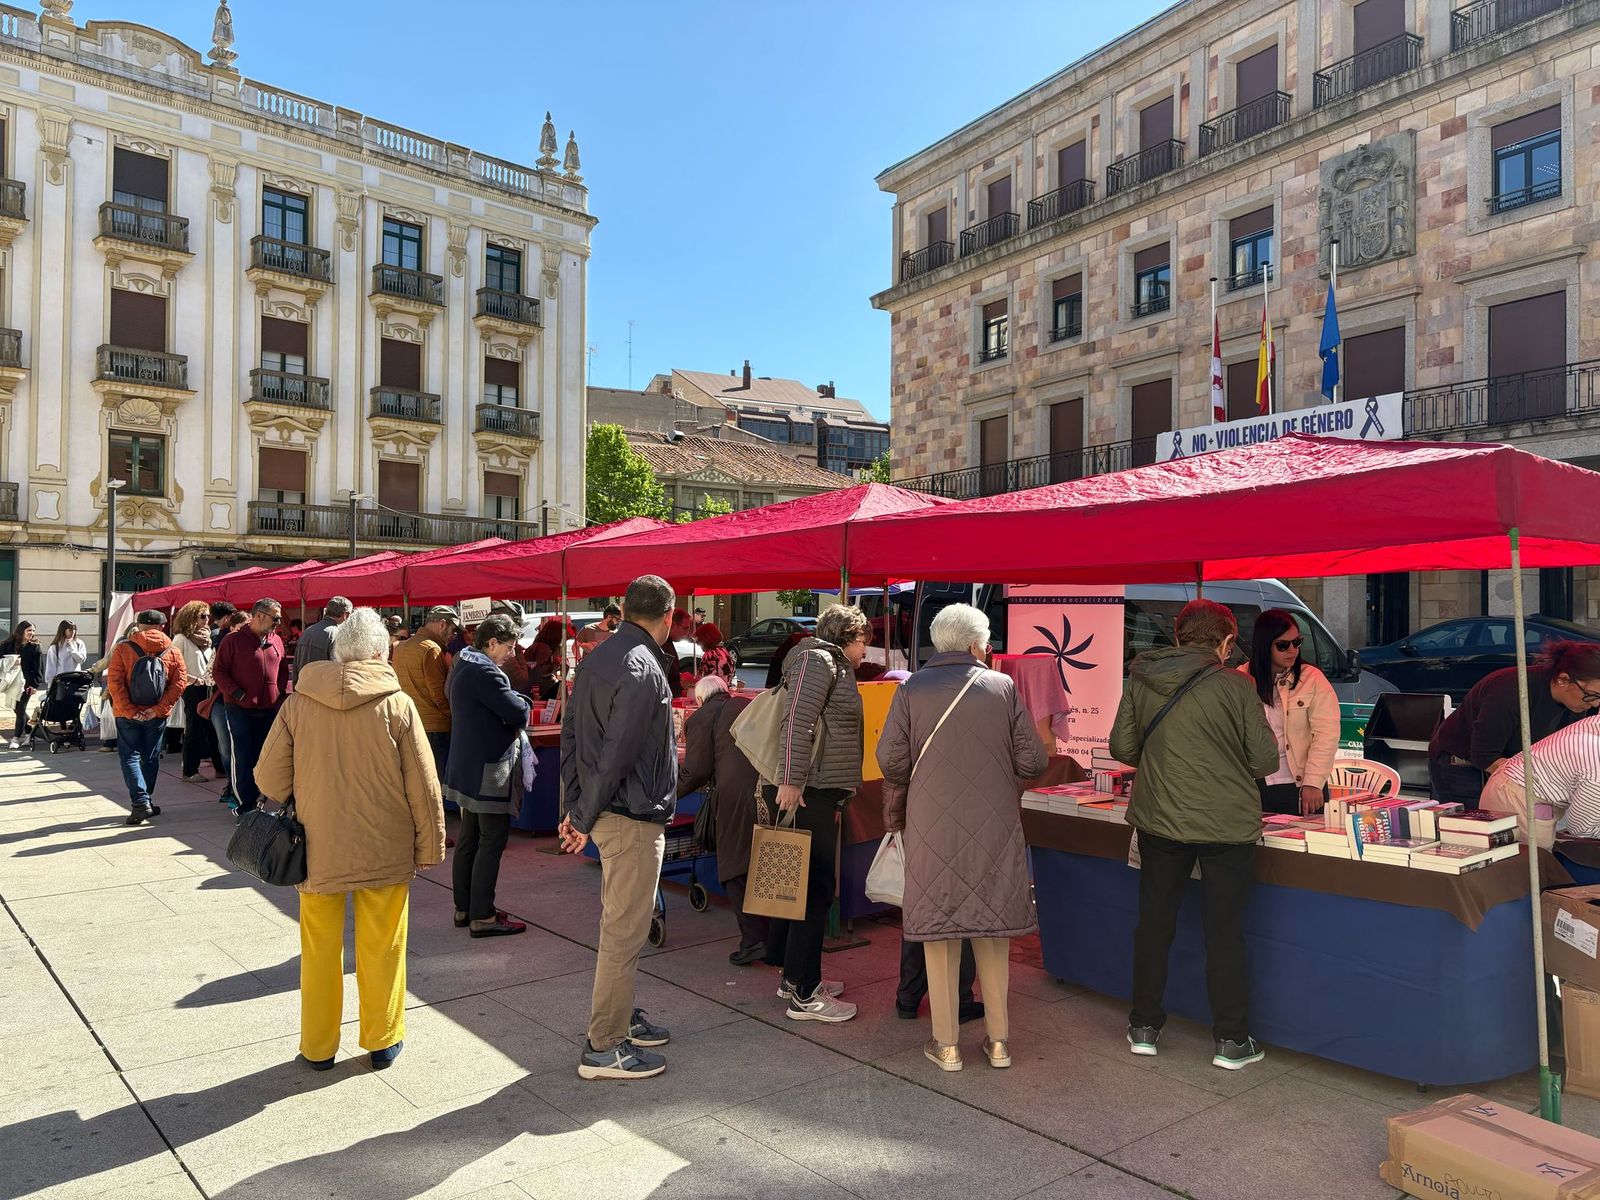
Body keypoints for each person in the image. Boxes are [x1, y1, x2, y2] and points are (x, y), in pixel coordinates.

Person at [252, 607, 446, 1074]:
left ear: (338, 653)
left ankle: (318, 1048)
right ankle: (382, 1040)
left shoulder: (299, 702)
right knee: (384, 945)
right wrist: (431, 845)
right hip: (385, 842)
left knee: (319, 951)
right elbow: (423, 783)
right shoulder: (397, 704)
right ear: (381, 652)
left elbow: (268, 778)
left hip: (317, 846)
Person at [1109, 598, 1278, 1071]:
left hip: (1159, 818)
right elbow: (1265, 761)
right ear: (1225, 642)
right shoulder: (1237, 685)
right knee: (1224, 931)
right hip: (1227, 825)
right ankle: (1231, 1039)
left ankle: (1144, 1026)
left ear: (1178, 636)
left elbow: (1122, 746)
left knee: (1154, 924)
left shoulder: (1142, 678)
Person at [878, 603, 1046, 1071]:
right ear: (976, 646)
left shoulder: (911, 688)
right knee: (994, 936)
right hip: (995, 826)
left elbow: (890, 762)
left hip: (932, 826)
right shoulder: (1003, 687)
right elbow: (1032, 762)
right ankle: (998, 1043)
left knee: (940, 933)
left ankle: (947, 1045)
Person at [559, 575, 679, 1081]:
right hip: (628, 814)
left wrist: (574, 808)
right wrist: (580, 815)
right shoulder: (640, 663)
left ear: (625, 609)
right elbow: (617, 752)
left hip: (614, 810)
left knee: (622, 926)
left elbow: (573, 737)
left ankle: (619, 1020)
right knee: (624, 931)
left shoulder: (601, 657)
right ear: (668, 616)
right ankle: (604, 1044)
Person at [765, 603, 869, 1024]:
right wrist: (791, 780)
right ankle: (806, 995)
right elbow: (797, 719)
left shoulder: (828, 662)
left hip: (817, 788)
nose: (867, 647)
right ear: (847, 637)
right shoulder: (819, 660)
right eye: (863, 639)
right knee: (812, 889)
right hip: (810, 791)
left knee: (808, 887)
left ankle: (795, 978)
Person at [1429, 642, 1600, 809]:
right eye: (1591, 696)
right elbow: (1484, 755)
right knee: (1473, 830)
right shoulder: (1510, 690)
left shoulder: (1586, 701)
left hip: (1513, 763)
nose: (1595, 704)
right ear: (1563, 679)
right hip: (1462, 763)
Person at [445, 613, 533, 937]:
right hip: (488, 769)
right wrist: (523, 700)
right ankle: (482, 914)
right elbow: (519, 711)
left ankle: (464, 907)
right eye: (509, 647)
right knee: (491, 839)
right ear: (492, 642)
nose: (512, 654)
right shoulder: (484, 672)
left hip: (468, 766)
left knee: (470, 837)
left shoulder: (463, 665)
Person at [677, 675, 765, 965]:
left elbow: (696, 771)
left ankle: (754, 941)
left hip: (735, 797)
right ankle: (774, 937)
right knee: (764, 863)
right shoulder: (746, 703)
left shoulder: (701, 717)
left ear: (700, 699)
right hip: (768, 791)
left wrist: (667, 795)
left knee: (736, 867)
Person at [1243, 609, 1340, 816]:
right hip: (1254, 783)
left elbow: (1326, 734)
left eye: (1297, 642)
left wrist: (1313, 782)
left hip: (1302, 784)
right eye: (1283, 645)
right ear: (1264, 645)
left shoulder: (1312, 678)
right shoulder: (1241, 678)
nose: (1292, 650)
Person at [106, 610, 187, 825]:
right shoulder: (173, 651)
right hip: (156, 715)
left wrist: (130, 710)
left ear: (139, 625)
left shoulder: (123, 648)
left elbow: (114, 682)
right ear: (162, 627)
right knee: (150, 758)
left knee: (130, 757)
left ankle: (141, 802)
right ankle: (146, 800)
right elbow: (179, 684)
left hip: (127, 714)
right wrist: (158, 709)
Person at [213, 597, 290, 814]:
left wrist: (280, 690)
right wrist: (236, 692)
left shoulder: (276, 640)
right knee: (244, 756)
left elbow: (283, 668)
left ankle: (258, 801)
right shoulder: (233, 640)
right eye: (275, 618)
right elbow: (219, 671)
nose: (278, 623)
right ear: (259, 616)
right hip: (240, 709)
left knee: (263, 757)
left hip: (269, 709)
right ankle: (244, 806)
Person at [1479, 716, 1600, 847]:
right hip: (1521, 796)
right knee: (1537, 861)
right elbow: (1582, 828)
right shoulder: (1595, 772)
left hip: (1518, 784)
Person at [394, 606, 460, 797]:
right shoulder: (431, 649)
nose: (453, 636)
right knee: (433, 783)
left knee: (415, 782)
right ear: (442, 624)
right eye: (453, 630)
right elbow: (439, 694)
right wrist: (454, 715)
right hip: (434, 727)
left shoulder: (403, 646)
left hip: (409, 722)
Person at [172, 601, 226, 787]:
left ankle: (220, 767)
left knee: (213, 728)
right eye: (202, 616)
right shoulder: (180, 639)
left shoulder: (207, 638)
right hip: (193, 688)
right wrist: (192, 679)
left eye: (207, 616)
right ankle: (190, 770)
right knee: (194, 729)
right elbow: (172, 666)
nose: (206, 620)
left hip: (209, 687)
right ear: (191, 617)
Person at [207, 602, 239, 798]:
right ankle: (230, 783)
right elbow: (211, 674)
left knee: (232, 747)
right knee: (225, 747)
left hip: (236, 702)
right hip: (222, 699)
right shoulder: (219, 639)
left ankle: (235, 786)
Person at [3, 621, 42, 749]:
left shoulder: (35, 647)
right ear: (21, 631)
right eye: (29, 630)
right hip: (11, 682)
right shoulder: (8, 645)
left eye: (33, 630)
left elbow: (38, 668)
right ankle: (30, 732)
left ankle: (16, 738)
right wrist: (10, 662)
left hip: (27, 683)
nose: (31, 633)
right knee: (17, 708)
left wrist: (34, 685)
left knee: (20, 709)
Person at [293, 597, 351, 682]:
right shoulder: (337, 634)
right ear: (346, 614)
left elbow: (296, 665)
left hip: (303, 689)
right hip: (323, 691)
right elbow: (337, 670)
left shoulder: (307, 631)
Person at [528, 616, 566, 700]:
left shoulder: (539, 645)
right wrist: (555, 664)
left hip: (535, 685)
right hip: (539, 687)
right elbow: (538, 669)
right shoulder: (544, 648)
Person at [42, 621, 88, 686]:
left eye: (74, 629)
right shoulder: (55, 647)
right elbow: (50, 668)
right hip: (61, 683)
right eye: (70, 630)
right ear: (63, 630)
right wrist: (50, 685)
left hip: (76, 681)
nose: (73, 632)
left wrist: (72, 649)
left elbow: (81, 660)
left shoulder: (79, 643)